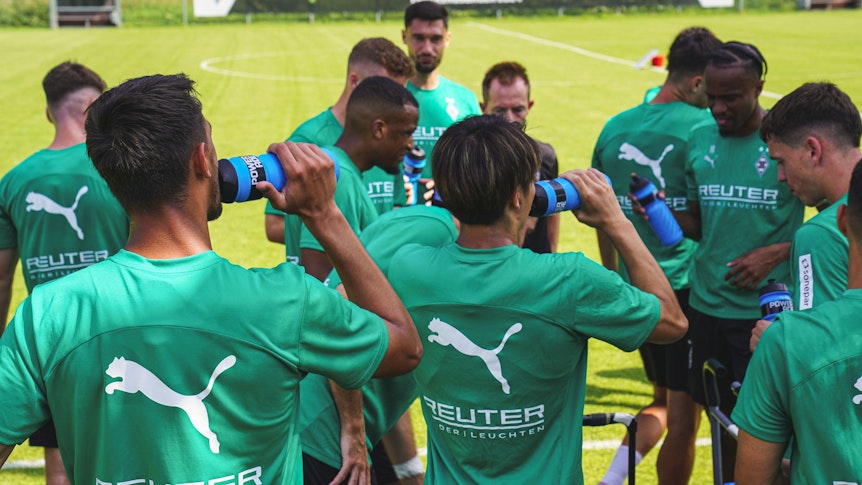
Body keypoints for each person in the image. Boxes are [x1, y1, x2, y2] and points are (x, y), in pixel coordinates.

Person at [0, 74, 422, 484]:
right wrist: (324, 214)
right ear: (202, 160)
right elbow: (404, 347)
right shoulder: (285, 301)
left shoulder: (48, 314)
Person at [385, 114, 688, 483]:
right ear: (518, 196)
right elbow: (672, 323)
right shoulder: (569, 280)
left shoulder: (408, 269)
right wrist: (616, 222)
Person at [591, 27, 722, 485]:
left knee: (662, 401)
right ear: (697, 81)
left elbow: (602, 214)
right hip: (684, 291)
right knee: (685, 418)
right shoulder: (703, 130)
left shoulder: (614, 126)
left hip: (634, 288)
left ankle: (610, 480)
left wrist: (614, 274)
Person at [676, 41, 804, 481]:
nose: (717, 108)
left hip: (765, 318)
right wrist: (653, 210)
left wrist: (780, 251)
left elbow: (841, 223)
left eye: (730, 98)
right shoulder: (699, 138)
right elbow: (701, 224)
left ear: (758, 88)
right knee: (720, 421)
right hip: (706, 305)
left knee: (769, 431)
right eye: (711, 96)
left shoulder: (784, 144)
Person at [0, 61, 129, 485]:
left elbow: (1, 278)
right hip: (120, 335)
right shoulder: (119, 171)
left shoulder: (13, 181)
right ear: (95, 109)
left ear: (48, 113)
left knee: (59, 464)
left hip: (50, 342)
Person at [299, 204, 458, 485]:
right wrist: (353, 430)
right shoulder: (438, 229)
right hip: (322, 433)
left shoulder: (432, 232)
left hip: (323, 434)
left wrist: (409, 474)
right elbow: (342, 307)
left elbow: (386, 389)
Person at [732, 158, 862, 484]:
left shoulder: (785, 341)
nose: (779, 175)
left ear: (841, 220)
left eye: (780, 161)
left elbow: (753, 479)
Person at [264, 37, 415, 263]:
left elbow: (393, 208)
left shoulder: (390, 145)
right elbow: (274, 225)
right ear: (355, 81)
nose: (396, 105)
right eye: (384, 91)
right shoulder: (308, 142)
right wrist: (342, 233)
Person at [297, 75, 419, 282]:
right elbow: (319, 282)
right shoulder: (338, 180)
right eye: (407, 133)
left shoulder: (336, 170)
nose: (410, 145)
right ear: (379, 129)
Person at [760, 82, 861, 312]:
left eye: (781, 162)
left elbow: (819, 333)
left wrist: (780, 330)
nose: (780, 177)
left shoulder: (820, 234)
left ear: (813, 150)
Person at [481, 61, 560, 254]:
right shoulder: (473, 161)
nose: (510, 119)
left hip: (537, 266)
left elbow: (554, 215)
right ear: (483, 108)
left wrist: (552, 253)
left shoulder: (545, 156)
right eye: (500, 111)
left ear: (529, 106)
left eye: (517, 109)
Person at [402, 0, 481, 179]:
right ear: (404, 36)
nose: (427, 48)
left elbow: (478, 165)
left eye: (436, 39)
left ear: (447, 39)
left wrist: (445, 189)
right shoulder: (386, 99)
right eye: (418, 38)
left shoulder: (466, 100)